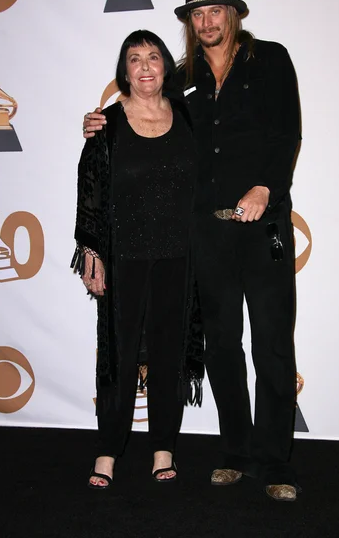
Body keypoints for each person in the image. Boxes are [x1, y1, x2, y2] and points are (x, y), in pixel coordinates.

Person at [82, 0, 301, 502]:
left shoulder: (271, 59)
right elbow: (148, 124)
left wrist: (264, 187)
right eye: (196, 14)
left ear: (233, 13)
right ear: (189, 23)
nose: (206, 22)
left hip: (264, 225)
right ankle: (236, 452)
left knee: (272, 345)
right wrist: (100, 124)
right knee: (223, 346)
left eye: (214, 11)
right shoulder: (182, 78)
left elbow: (288, 130)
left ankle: (274, 462)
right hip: (207, 236)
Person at [72, 29, 204, 490]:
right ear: (123, 70)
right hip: (123, 258)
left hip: (178, 257)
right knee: (119, 357)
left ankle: (163, 447)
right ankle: (108, 450)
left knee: (169, 354)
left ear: (166, 65)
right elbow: (88, 189)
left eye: (153, 57)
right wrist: (92, 254)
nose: (145, 66)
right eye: (134, 59)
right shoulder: (105, 124)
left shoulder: (188, 114)